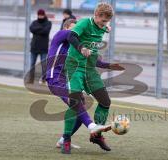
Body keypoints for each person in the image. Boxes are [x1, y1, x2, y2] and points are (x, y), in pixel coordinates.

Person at [46, 19, 124, 153]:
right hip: (56, 77)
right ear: (66, 27)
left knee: (79, 104)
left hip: (69, 77)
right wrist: (102, 27)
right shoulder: (62, 35)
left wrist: (109, 65)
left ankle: (66, 138)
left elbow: (93, 60)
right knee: (76, 102)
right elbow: (73, 34)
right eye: (75, 27)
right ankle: (91, 127)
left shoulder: (77, 47)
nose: (78, 31)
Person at [64, 3, 117, 154]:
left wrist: (105, 27)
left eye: (107, 21)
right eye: (102, 20)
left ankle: (97, 135)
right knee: (75, 103)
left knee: (105, 102)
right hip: (74, 67)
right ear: (96, 15)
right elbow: (71, 35)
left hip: (89, 69)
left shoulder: (103, 27)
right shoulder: (85, 23)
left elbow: (100, 30)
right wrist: (81, 48)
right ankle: (66, 139)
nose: (104, 23)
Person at [28, 9, 52, 84]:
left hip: (43, 48)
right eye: (39, 15)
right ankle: (31, 79)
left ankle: (44, 80)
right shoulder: (34, 22)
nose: (40, 16)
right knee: (32, 64)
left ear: (44, 15)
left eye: (41, 15)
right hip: (34, 47)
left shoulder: (48, 23)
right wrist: (40, 28)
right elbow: (31, 29)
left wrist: (37, 30)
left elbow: (46, 31)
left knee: (44, 64)